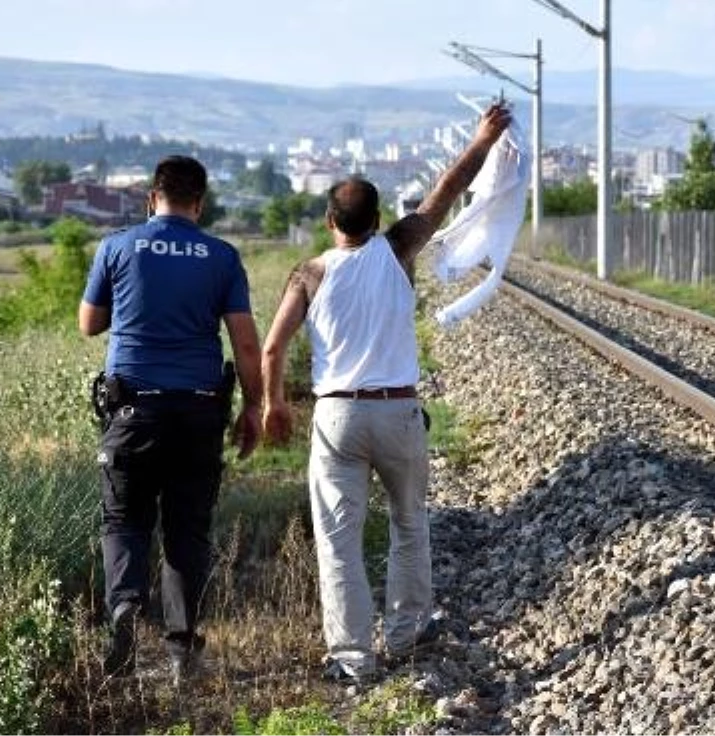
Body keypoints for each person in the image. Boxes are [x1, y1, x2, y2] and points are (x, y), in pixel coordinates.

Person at [261, 103, 512, 683]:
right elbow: (446, 191)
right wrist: (483, 138)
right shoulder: (398, 248)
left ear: (330, 222)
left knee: (339, 540)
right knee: (409, 522)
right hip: (399, 411)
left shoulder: (309, 274)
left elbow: (273, 348)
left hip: (338, 417)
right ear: (376, 219)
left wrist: (274, 404)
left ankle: (352, 657)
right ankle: (406, 632)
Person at [79, 154, 263, 681]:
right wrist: (254, 406)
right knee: (187, 529)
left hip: (133, 409)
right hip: (199, 412)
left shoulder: (116, 246)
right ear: (200, 204)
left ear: (150, 198)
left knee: (124, 519)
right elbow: (245, 343)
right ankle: (182, 650)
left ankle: (124, 609)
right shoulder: (222, 256)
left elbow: (89, 324)